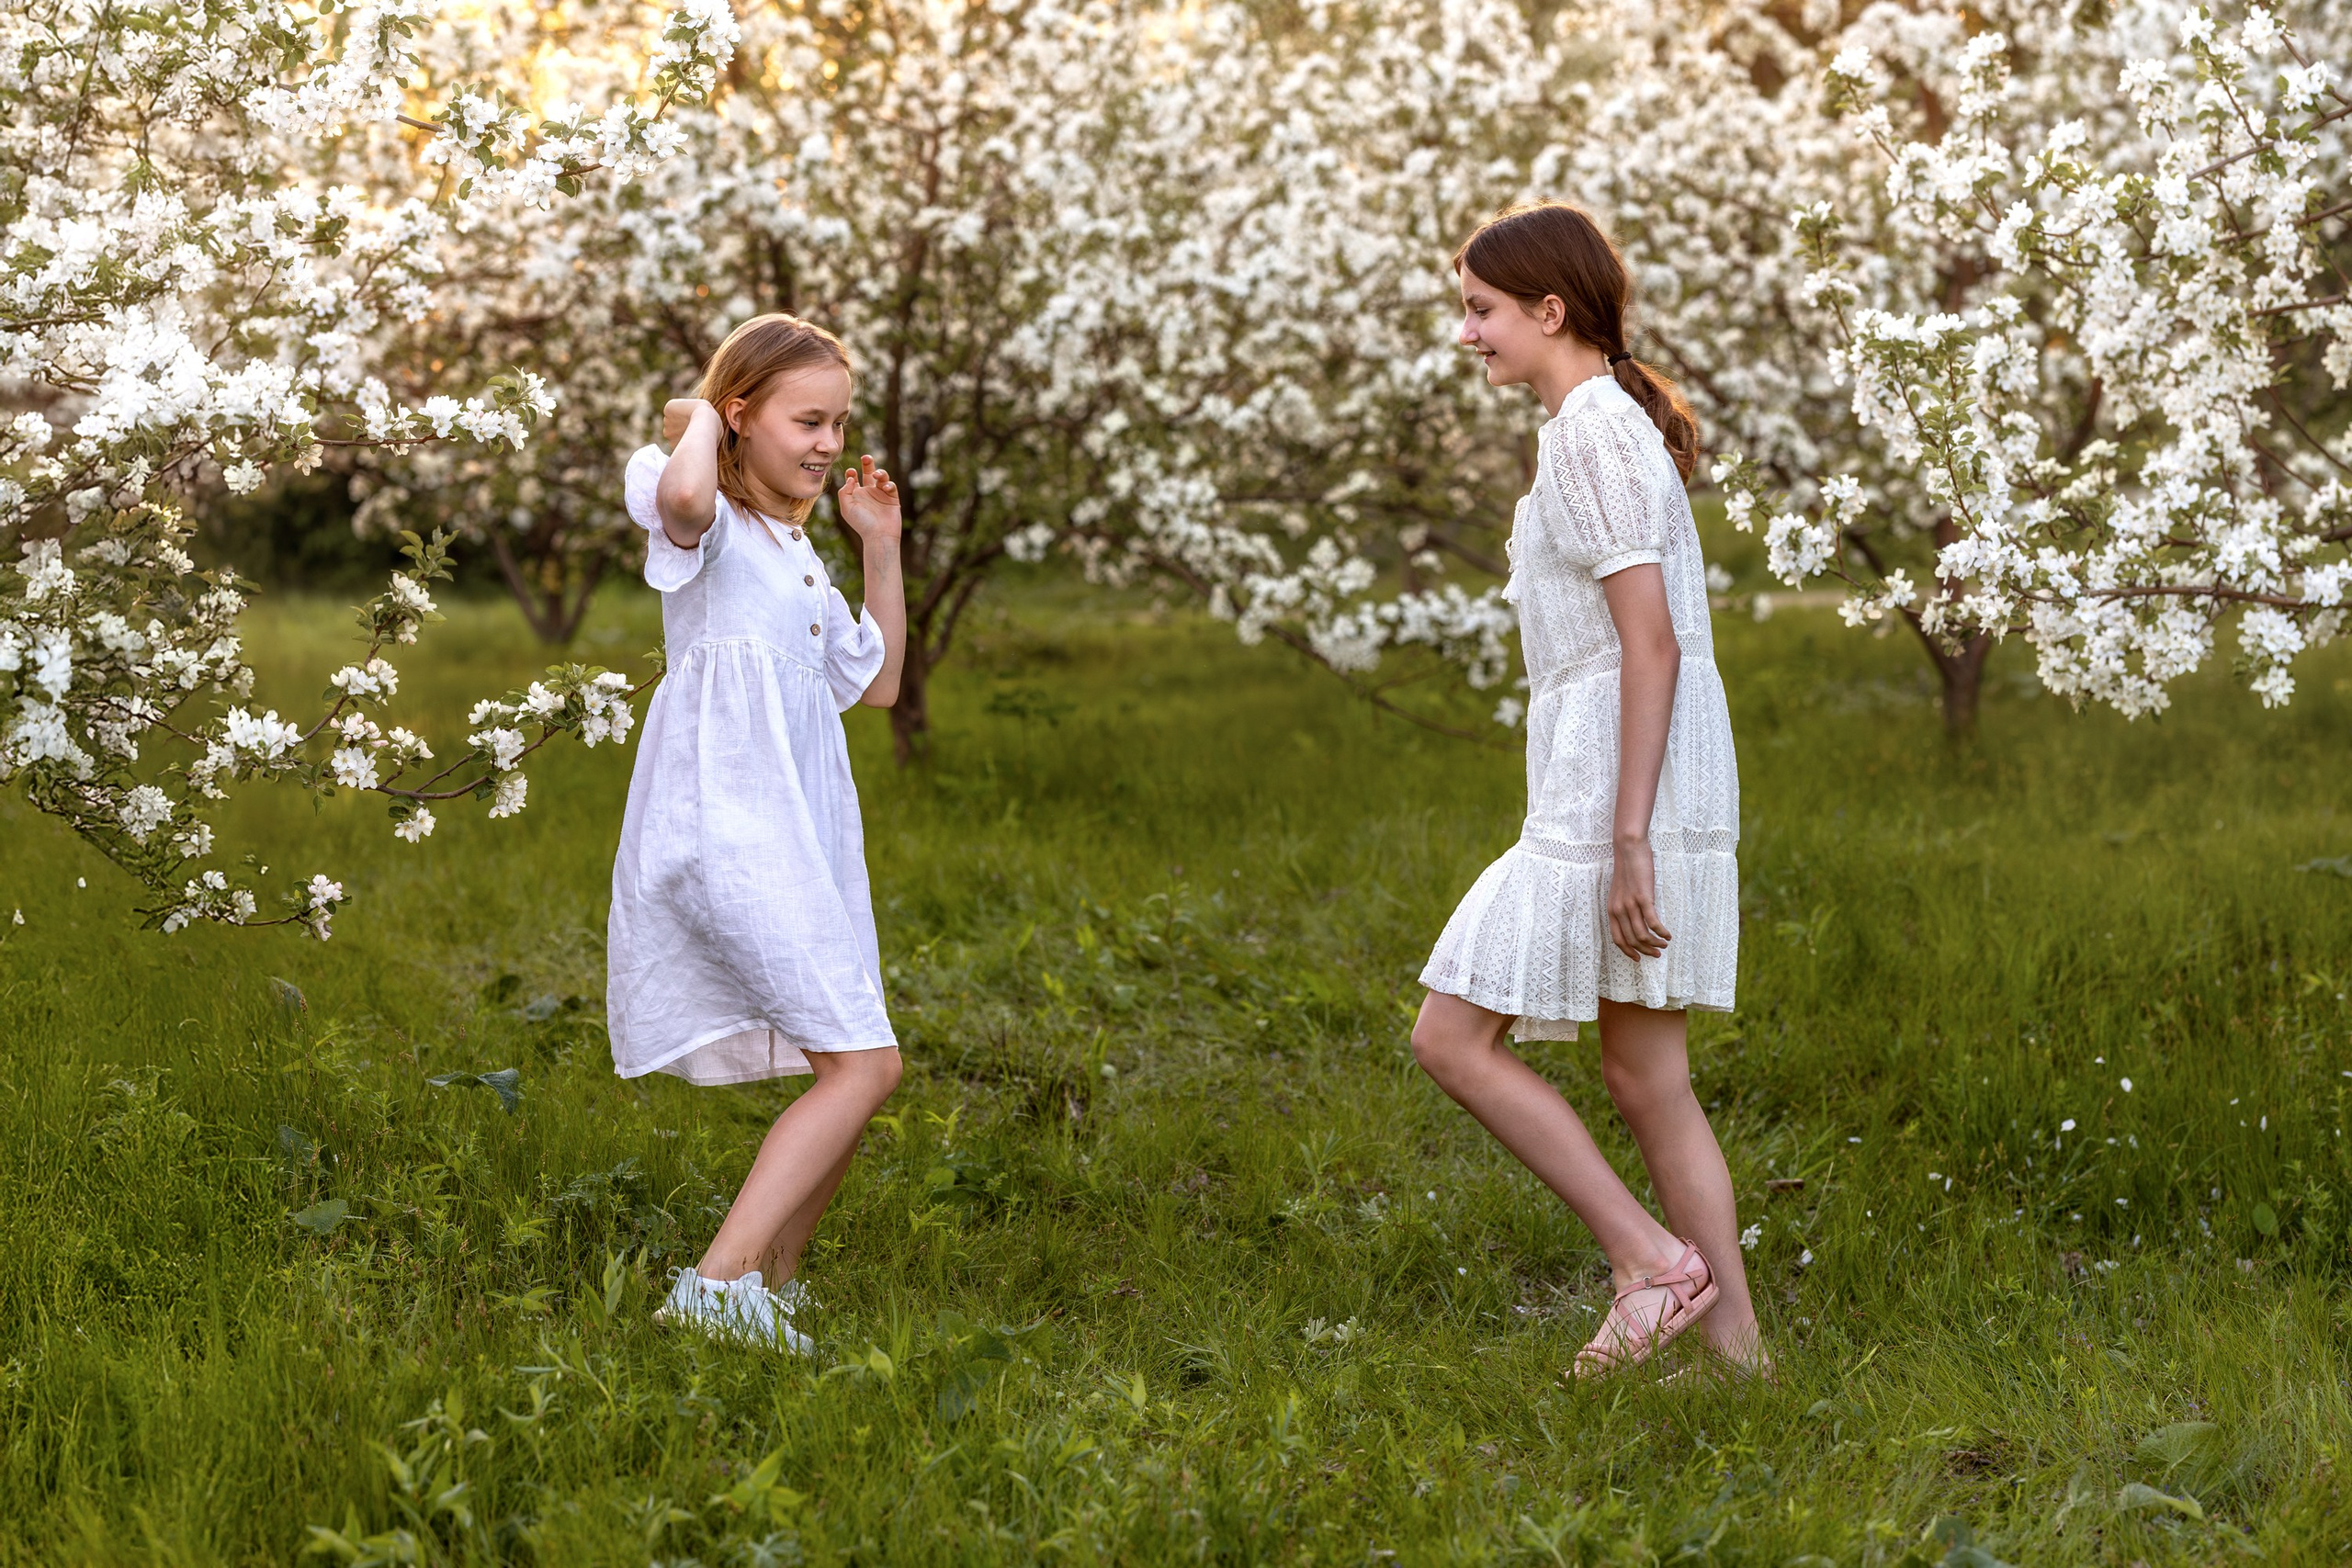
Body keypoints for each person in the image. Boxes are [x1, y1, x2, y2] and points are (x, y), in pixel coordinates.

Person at [1411, 202, 1766, 1379]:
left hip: (1621, 785)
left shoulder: (1587, 432)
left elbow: (1649, 644)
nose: (1466, 335)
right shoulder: (1597, 424)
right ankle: (1737, 1360)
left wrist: (1627, 840)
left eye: (1481, 309)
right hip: (1624, 770)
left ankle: (1649, 1264)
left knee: (1451, 1035)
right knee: (1644, 1076)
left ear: (1548, 311)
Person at [606, 313, 908, 1350]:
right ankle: (717, 1285)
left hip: (797, 826)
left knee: (858, 1062)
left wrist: (881, 548)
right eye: (807, 421)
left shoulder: (795, 554)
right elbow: (690, 489)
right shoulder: (703, 520)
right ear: (743, 413)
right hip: (729, 819)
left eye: (838, 423)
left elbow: (878, 686)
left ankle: (773, 1286)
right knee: (865, 1066)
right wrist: (702, 415)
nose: (828, 444)